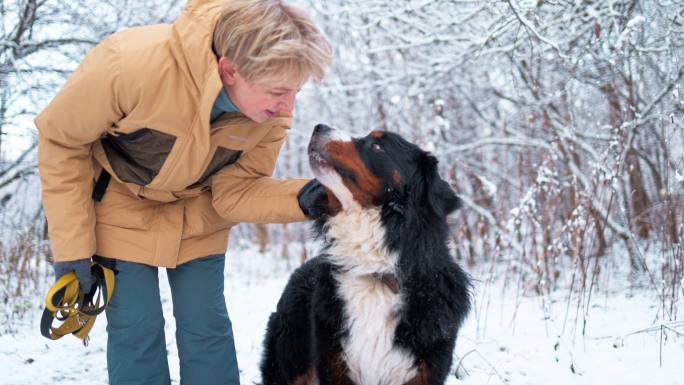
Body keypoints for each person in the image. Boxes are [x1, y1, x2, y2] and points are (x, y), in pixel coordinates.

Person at [35, 0, 331, 384]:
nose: (288, 105)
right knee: (135, 329)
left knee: (206, 329)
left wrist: (306, 197)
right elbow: (62, 141)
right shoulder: (127, 64)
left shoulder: (269, 116)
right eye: (278, 91)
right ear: (230, 70)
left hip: (199, 214)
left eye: (295, 91)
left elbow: (235, 191)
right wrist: (72, 249)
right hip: (121, 205)